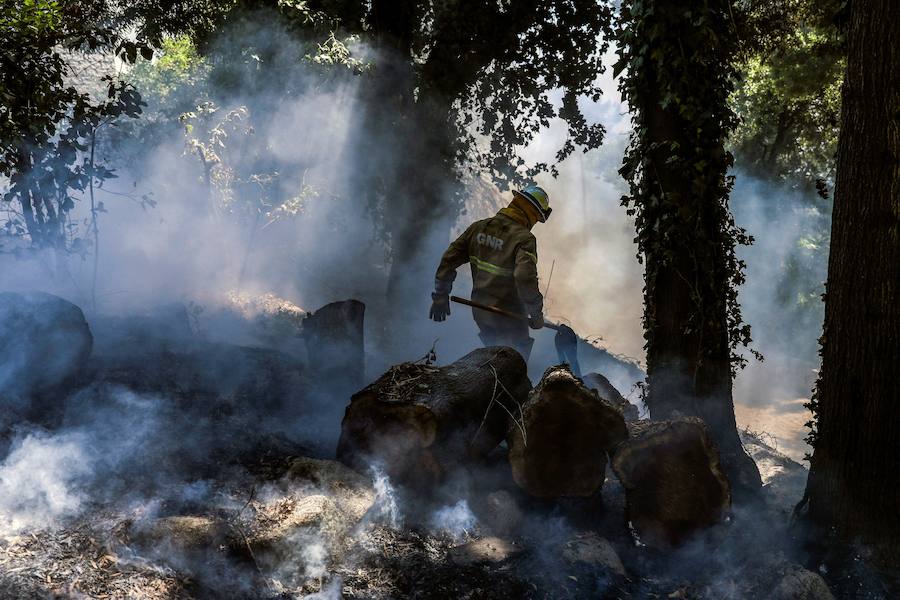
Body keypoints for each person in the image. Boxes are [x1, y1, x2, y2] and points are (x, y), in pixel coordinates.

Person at [429, 184, 551, 360]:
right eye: (537, 218)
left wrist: (440, 296)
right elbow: (525, 277)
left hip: (481, 311)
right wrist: (536, 313)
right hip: (510, 316)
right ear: (532, 213)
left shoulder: (479, 227)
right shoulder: (524, 238)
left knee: (494, 358)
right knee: (514, 365)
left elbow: (448, 260)